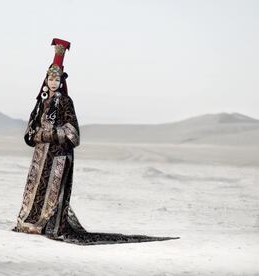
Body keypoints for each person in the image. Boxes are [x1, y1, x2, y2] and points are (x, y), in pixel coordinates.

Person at [11, 38, 180, 245]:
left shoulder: (65, 101)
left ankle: (48, 226)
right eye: (50, 79)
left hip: (57, 158)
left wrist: (46, 134)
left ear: (62, 82)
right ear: (45, 80)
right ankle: (31, 224)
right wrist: (38, 134)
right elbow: (29, 135)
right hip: (40, 159)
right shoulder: (41, 103)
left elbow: (73, 134)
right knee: (36, 191)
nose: (53, 83)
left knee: (53, 196)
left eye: (57, 80)